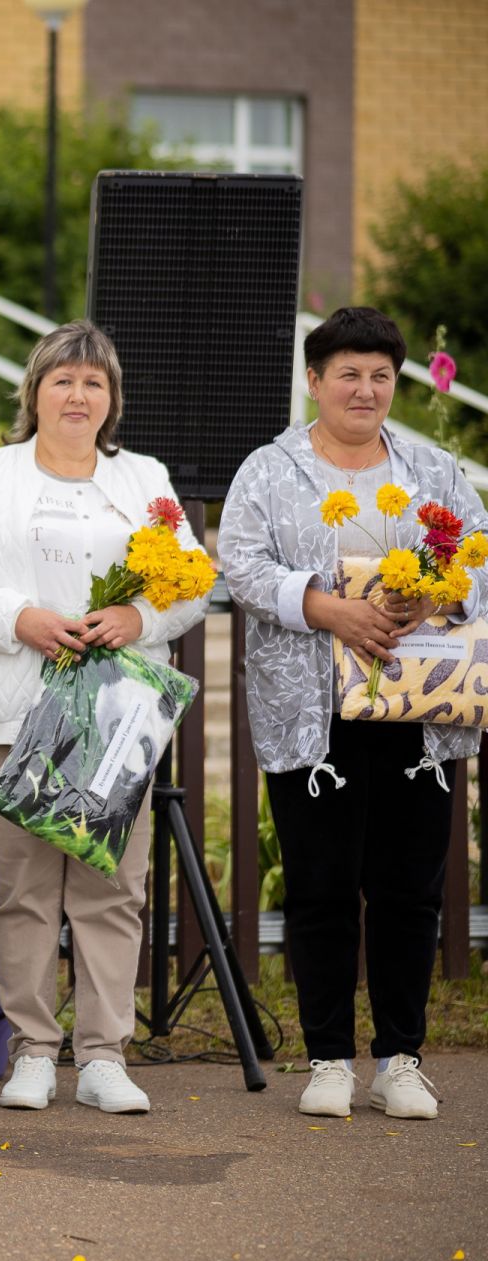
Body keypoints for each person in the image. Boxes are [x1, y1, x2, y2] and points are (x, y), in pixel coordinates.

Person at [0, 320, 205, 1115]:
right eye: (62, 380)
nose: (77, 395)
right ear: (34, 392)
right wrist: (22, 618)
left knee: (111, 886)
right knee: (24, 892)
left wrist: (135, 622)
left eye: (93, 383)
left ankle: (104, 1054)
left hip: (114, 718)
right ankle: (33, 1051)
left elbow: (187, 582)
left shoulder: (142, 478)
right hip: (16, 712)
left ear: (110, 400)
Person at [219, 306, 484, 1121]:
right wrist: (324, 609)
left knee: (411, 888)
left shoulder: (435, 468)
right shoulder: (269, 470)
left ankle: (400, 1058)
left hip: (418, 707)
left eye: (380, 377)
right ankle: (328, 1055)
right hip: (311, 712)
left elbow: (477, 553)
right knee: (320, 884)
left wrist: (438, 591)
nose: (365, 391)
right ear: (314, 381)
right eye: (348, 375)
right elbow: (238, 566)